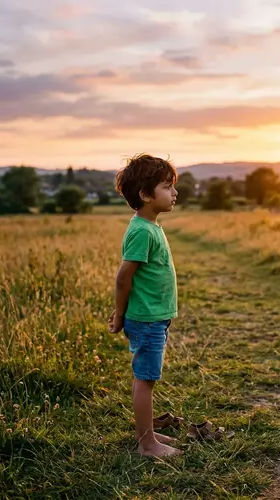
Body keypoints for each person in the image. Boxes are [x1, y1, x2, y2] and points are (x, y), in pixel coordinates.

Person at [108, 153, 181, 457]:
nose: (175, 193)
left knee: (147, 378)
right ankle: (146, 443)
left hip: (155, 317)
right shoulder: (141, 230)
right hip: (146, 319)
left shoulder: (150, 227)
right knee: (145, 380)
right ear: (145, 194)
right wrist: (120, 312)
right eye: (167, 187)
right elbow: (123, 278)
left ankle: (149, 434)